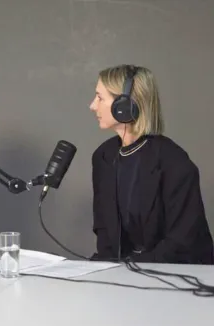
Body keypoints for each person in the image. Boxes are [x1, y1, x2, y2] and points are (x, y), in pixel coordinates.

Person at [88, 64, 213, 264]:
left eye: (100, 98)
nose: (93, 105)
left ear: (124, 105)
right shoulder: (103, 157)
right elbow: (105, 232)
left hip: (178, 274)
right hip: (126, 275)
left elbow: (182, 242)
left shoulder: (174, 162)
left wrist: (133, 269)